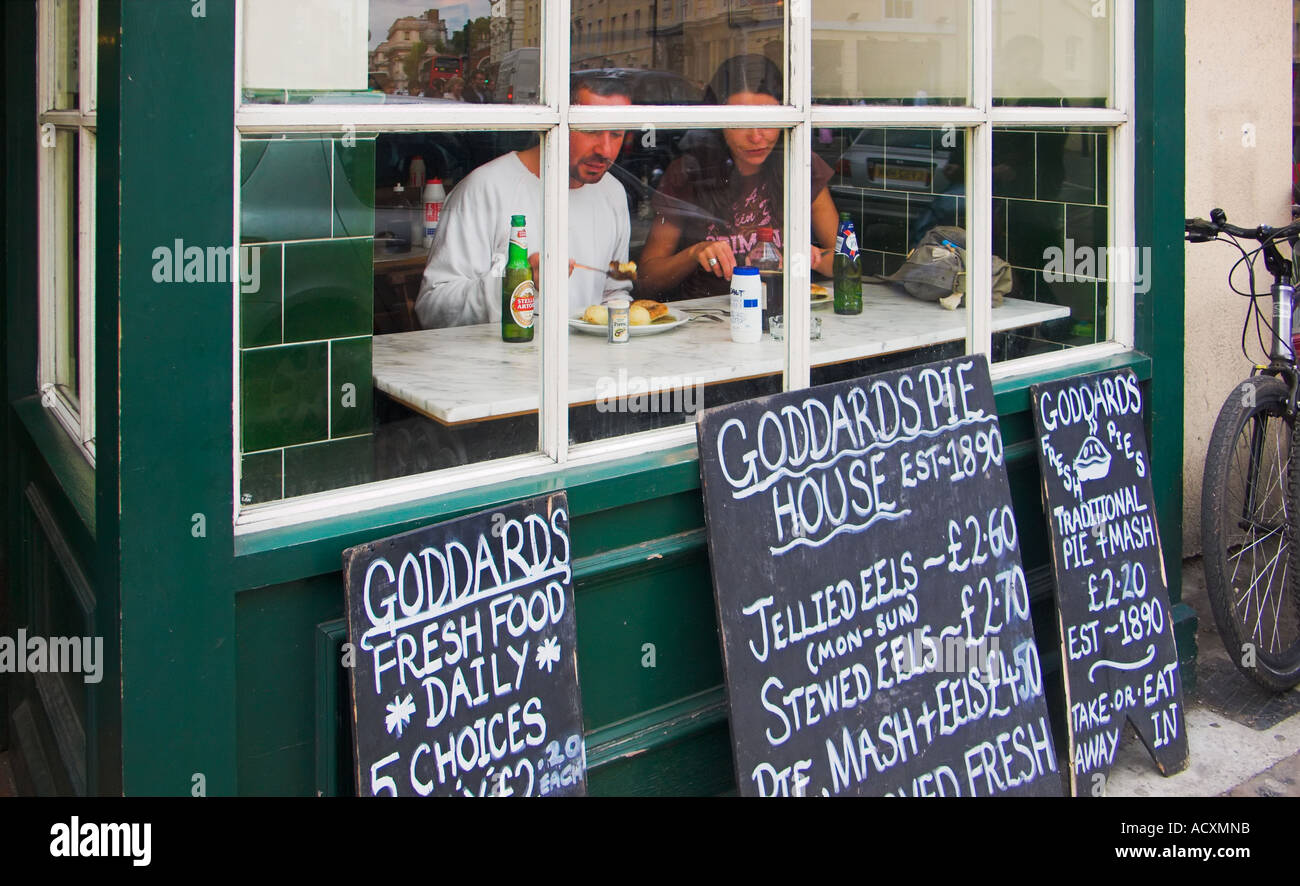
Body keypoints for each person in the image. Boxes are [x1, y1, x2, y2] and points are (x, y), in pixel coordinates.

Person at [414, 75, 633, 328]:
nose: (605, 150)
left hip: (585, 363)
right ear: (557, 120)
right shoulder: (485, 188)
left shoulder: (613, 193)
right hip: (496, 363)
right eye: (591, 130)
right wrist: (517, 284)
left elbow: (614, 295)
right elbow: (432, 310)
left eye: (616, 134)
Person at [636, 55, 840, 300]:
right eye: (741, 122)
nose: (756, 137)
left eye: (768, 121)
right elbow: (646, 280)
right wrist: (694, 253)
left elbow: (845, 261)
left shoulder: (802, 166)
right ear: (718, 121)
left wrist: (815, 258)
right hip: (707, 319)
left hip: (786, 314)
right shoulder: (689, 172)